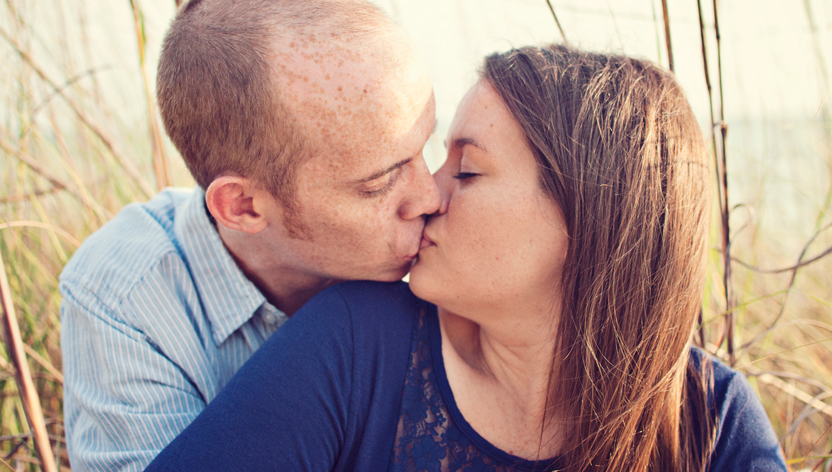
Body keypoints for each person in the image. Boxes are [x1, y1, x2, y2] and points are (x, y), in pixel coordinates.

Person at [146, 44, 788, 472]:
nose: (425, 193)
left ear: (589, 217)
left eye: (468, 169)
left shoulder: (712, 423)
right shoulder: (357, 342)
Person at [59, 0, 439, 471]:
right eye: (378, 183)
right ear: (242, 206)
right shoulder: (126, 303)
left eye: (424, 147)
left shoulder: (440, 250)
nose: (431, 196)